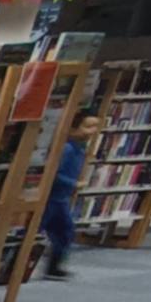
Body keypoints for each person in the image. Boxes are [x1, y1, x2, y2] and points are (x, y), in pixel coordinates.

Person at [43, 110, 102, 280]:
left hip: (62, 198)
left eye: (96, 127)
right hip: (52, 197)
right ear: (73, 128)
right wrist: (73, 184)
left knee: (65, 231)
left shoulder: (81, 150)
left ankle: (54, 266)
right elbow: (54, 174)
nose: (92, 131)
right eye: (88, 126)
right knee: (50, 230)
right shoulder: (67, 149)